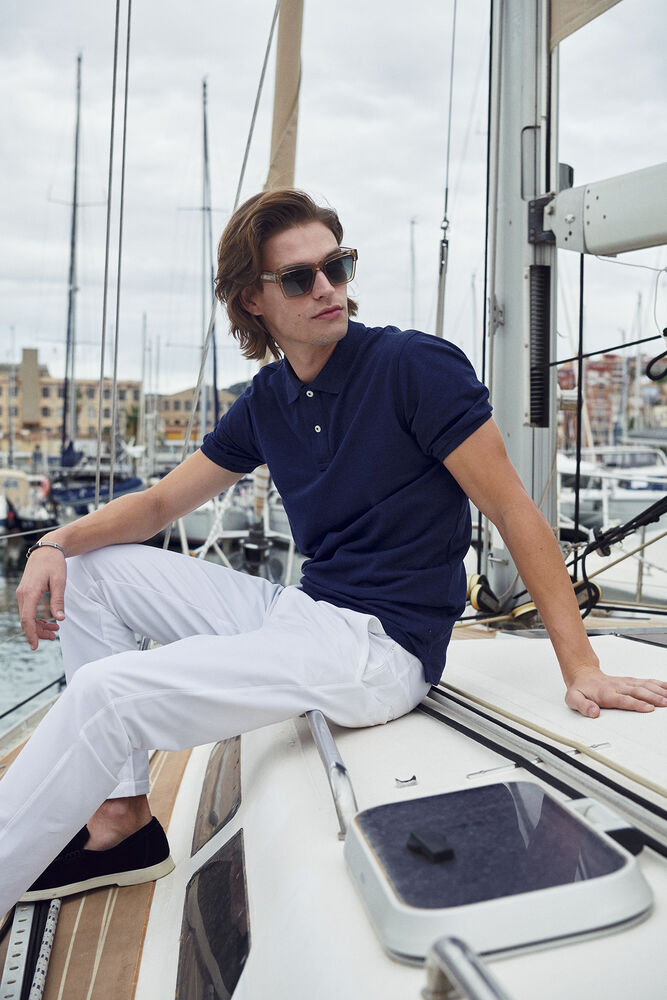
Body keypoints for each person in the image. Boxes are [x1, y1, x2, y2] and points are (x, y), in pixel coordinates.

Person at [3, 188, 667, 917]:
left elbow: (511, 508)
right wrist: (54, 541)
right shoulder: (268, 399)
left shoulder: (413, 366)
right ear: (252, 300)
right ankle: (123, 817)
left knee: (105, 695)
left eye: (336, 266)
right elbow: (161, 505)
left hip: (380, 649)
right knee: (88, 573)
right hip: (305, 613)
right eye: (298, 277)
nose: (326, 288)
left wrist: (581, 666)